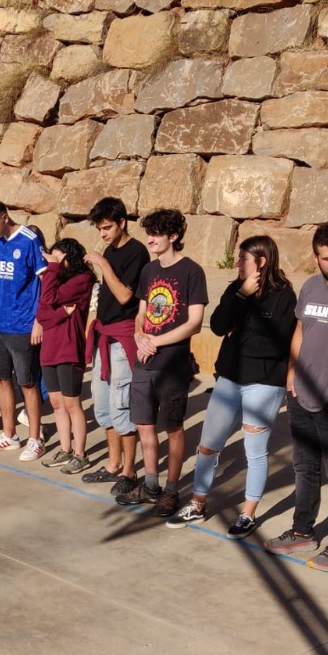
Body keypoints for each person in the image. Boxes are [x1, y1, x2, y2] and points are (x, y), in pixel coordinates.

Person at [166, 236, 296, 536]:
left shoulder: (284, 296)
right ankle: (198, 504)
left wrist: (239, 337)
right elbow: (218, 326)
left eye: (243, 259)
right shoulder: (235, 290)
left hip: (264, 382)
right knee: (207, 445)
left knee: (255, 451)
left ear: (261, 262)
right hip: (229, 378)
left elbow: (276, 344)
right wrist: (241, 296)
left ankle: (248, 514)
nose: (237, 263)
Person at [265, 223, 328, 570]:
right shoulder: (309, 287)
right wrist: (291, 374)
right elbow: (300, 332)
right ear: (316, 258)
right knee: (304, 468)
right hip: (302, 397)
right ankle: (302, 532)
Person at [116, 209, 207, 517]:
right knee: (144, 425)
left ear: (173, 236)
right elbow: (141, 312)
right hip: (144, 361)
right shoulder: (149, 270)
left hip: (172, 365)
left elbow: (194, 323)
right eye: (149, 233)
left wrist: (155, 341)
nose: (150, 239)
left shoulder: (192, 272)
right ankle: (151, 485)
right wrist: (140, 335)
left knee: (173, 428)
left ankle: (171, 490)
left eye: (156, 233)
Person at [81, 197, 151, 497]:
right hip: (104, 337)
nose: (103, 234)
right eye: (100, 229)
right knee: (103, 406)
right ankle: (113, 464)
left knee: (121, 407)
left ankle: (129, 472)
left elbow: (124, 296)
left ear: (122, 222)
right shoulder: (110, 250)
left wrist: (103, 264)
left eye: (107, 227)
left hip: (123, 340)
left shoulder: (137, 252)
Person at [0, 199, 47, 461]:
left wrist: (39, 321)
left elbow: (44, 282)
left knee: (27, 382)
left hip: (23, 324)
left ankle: (35, 439)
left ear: (5, 217)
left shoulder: (29, 240)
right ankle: (9, 435)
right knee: (0, 379)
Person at [35, 239, 96, 474]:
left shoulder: (83, 279)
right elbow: (42, 312)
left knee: (72, 404)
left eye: (57, 257)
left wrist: (51, 268)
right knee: (56, 403)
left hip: (69, 348)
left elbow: (49, 299)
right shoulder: (55, 279)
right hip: (49, 349)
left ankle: (81, 454)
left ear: (69, 257)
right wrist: (62, 313)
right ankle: (65, 449)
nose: (53, 262)